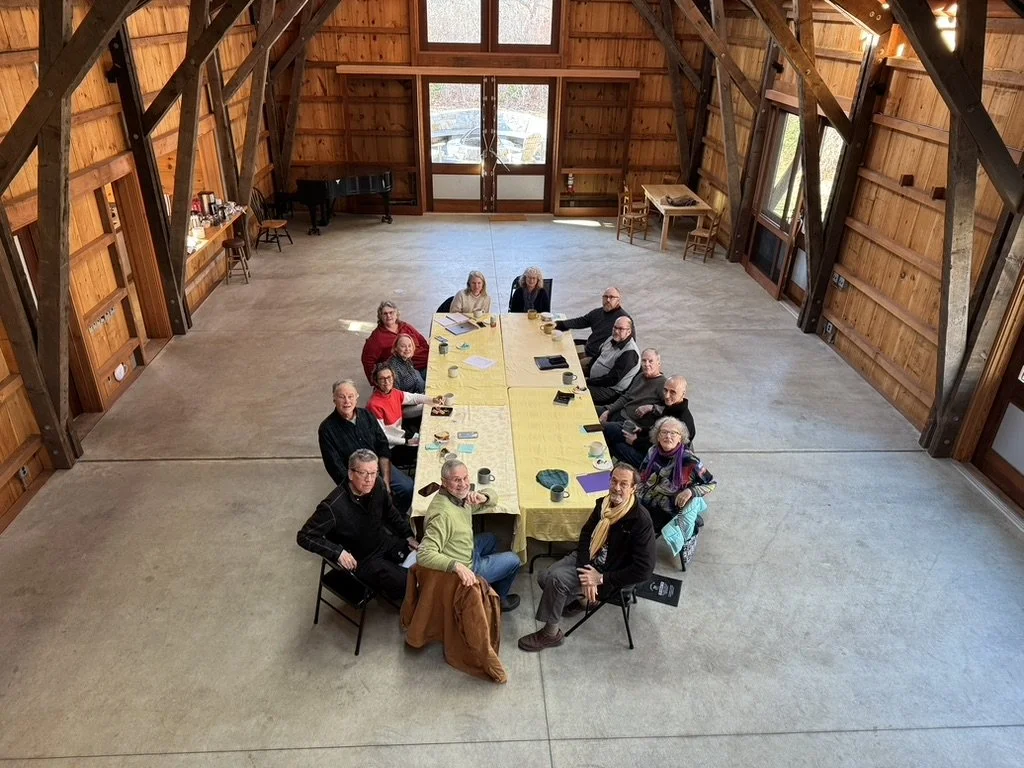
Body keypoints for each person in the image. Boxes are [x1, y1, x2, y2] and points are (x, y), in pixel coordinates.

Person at [517, 463, 655, 652]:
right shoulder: (604, 504)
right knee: (544, 577)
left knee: (556, 581)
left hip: (612, 573)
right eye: (614, 481)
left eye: (624, 484)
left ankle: (550, 634)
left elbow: (644, 569)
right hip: (590, 560)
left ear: (633, 488)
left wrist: (600, 578)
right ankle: (583, 600)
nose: (617, 487)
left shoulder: (640, 520)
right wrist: (586, 572)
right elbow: (585, 534)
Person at [297, 449, 418, 602]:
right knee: (410, 583)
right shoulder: (332, 506)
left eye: (374, 472)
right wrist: (338, 552)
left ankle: (399, 574)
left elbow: (391, 513)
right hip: (363, 559)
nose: (369, 479)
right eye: (363, 473)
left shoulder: (378, 484)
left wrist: (408, 535)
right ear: (350, 474)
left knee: (423, 557)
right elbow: (304, 536)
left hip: (381, 541)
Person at [417, 459, 522, 612]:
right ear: (444, 482)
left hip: (466, 549)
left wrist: (484, 497)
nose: (463, 484)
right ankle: (499, 600)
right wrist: (457, 566)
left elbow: (493, 497)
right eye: (456, 480)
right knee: (514, 560)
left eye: (465, 478)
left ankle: (485, 586)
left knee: (491, 538)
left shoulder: (458, 498)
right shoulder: (443, 515)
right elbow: (424, 554)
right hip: (466, 565)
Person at [317, 379, 414, 511]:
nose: (347, 401)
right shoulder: (327, 429)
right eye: (341, 397)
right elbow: (336, 468)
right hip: (357, 478)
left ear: (357, 397)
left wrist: (385, 479)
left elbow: (382, 445)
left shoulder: (366, 415)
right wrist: (366, 486)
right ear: (334, 400)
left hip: (378, 466)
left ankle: (396, 515)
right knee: (374, 503)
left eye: (350, 396)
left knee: (407, 488)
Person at [638, 416, 715, 539]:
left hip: (668, 507)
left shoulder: (689, 460)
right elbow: (642, 474)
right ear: (658, 436)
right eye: (664, 432)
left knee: (641, 529)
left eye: (673, 433)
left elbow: (711, 483)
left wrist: (691, 491)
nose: (668, 436)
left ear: (680, 438)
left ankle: (690, 522)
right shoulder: (652, 451)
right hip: (646, 498)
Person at [600, 349, 667, 465]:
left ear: (658, 363)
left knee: (600, 428)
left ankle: (600, 463)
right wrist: (608, 410)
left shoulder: (663, 384)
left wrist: (652, 407)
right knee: (592, 411)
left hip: (631, 425)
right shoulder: (640, 376)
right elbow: (626, 396)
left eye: (651, 361)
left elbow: (669, 409)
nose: (646, 364)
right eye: (644, 361)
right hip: (620, 413)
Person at [367, 363, 432, 465]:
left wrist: (432, 400)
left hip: (400, 435)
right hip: (391, 448)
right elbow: (382, 437)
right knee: (428, 450)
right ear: (376, 381)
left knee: (429, 437)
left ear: (393, 378)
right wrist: (406, 442)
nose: (386, 382)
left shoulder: (394, 392)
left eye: (389, 377)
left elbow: (413, 398)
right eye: (382, 379)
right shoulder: (374, 405)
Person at [554, 286, 631, 367]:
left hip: (598, 359)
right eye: (605, 297)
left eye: (612, 297)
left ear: (618, 300)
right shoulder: (598, 313)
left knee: (570, 365)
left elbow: (627, 346)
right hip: (587, 349)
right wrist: (559, 324)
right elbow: (580, 321)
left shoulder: (624, 320)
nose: (608, 300)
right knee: (560, 352)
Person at [361, 301, 429, 383]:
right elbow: (367, 360)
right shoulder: (377, 338)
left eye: (391, 312)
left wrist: (428, 354)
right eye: (385, 314)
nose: (388, 316)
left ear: (396, 314)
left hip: (426, 361)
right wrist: (377, 381)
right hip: (407, 371)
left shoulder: (405, 326)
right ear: (380, 316)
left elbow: (421, 340)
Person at [586, 316, 640, 406]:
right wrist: (587, 372)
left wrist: (589, 381)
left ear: (629, 332)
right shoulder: (611, 339)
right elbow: (597, 357)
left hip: (609, 390)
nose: (616, 331)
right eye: (615, 327)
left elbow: (612, 380)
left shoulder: (629, 353)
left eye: (621, 329)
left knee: (577, 390)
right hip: (595, 380)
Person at [385, 333, 426, 400]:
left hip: (416, 392)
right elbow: (397, 396)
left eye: (409, 346)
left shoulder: (406, 358)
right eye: (403, 346)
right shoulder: (393, 368)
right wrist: (421, 398)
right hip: (406, 401)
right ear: (396, 348)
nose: (407, 349)